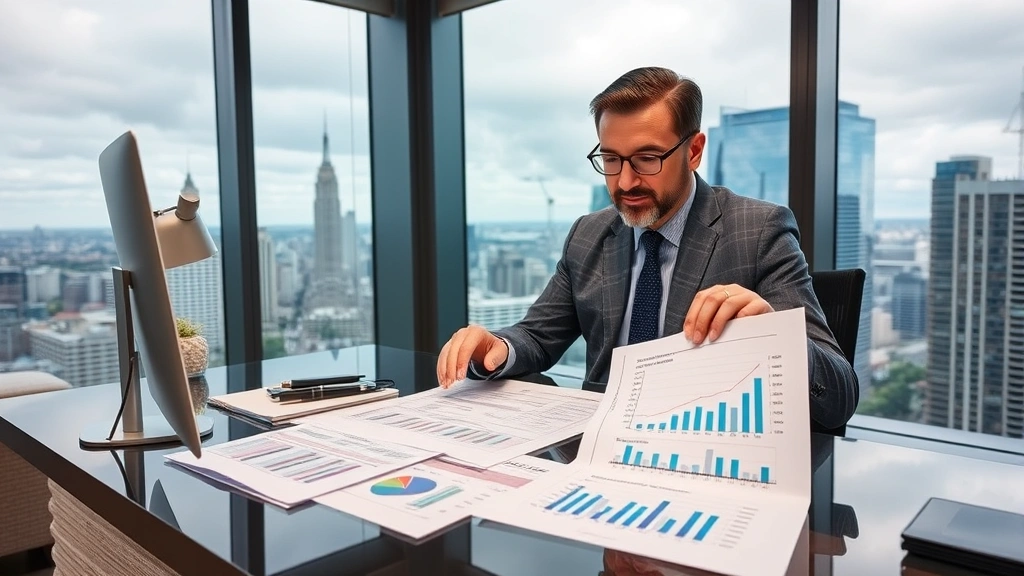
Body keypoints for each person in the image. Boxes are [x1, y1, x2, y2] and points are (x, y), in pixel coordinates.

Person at [437, 66, 858, 430]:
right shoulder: (589, 234)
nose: (624, 183)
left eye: (647, 159)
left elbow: (839, 396)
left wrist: (775, 337)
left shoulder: (759, 231)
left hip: (703, 451)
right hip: (597, 442)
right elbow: (537, 337)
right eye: (612, 159)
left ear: (693, 151)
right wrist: (495, 346)